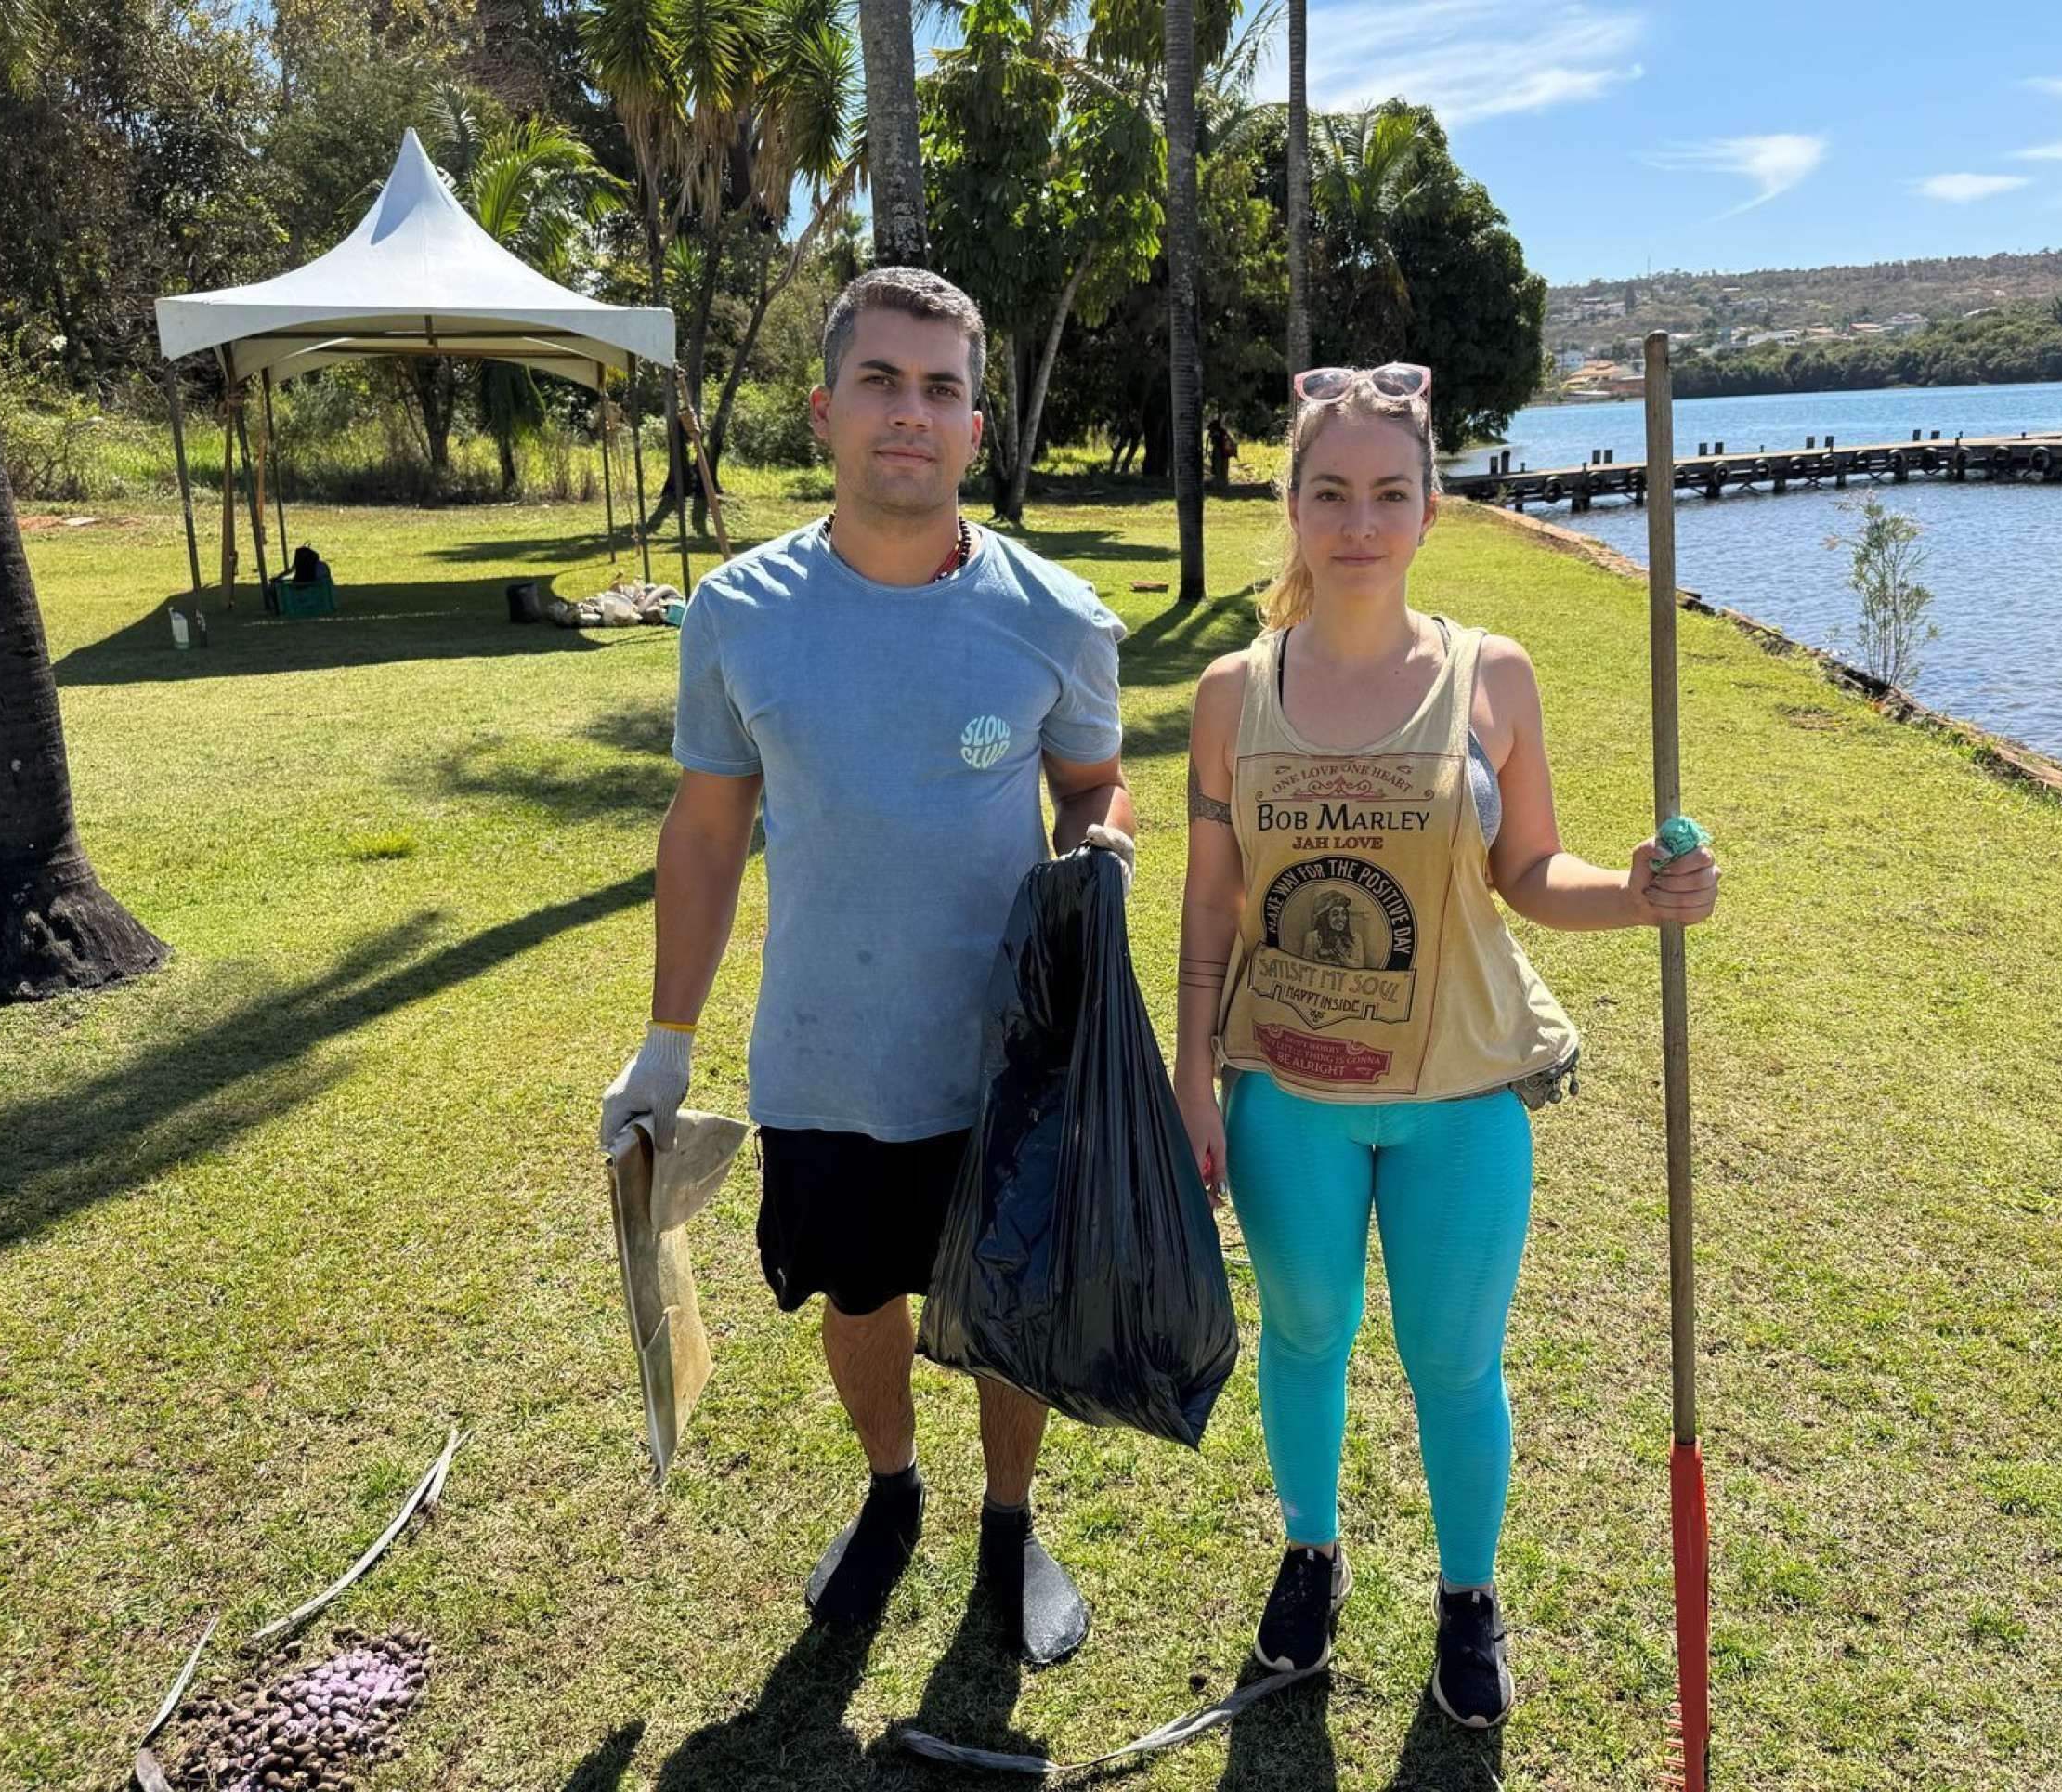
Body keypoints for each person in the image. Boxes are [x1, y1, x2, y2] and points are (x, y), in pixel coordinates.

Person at [1170, 362, 1719, 1727]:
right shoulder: (1235, 692)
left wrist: (1638, 889)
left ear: (1431, 510)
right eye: (1330, 492)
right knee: (1305, 1335)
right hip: (1285, 1093)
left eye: (1389, 493)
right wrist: (1192, 1072)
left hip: (1466, 1089)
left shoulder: (1495, 677)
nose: (1359, 521)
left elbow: (1531, 869)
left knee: (1455, 1361)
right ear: (1291, 506)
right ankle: (1312, 1552)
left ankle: (1467, 1600)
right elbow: (1210, 906)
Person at [601, 268, 1137, 1666]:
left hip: (1006, 1058)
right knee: (858, 1296)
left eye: (943, 388)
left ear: (976, 428)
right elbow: (711, 826)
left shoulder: (1059, 616)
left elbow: (1093, 783)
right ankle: (893, 1496)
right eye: (885, 383)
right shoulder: (736, 612)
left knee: (1011, 1307)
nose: (914, 412)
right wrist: (667, 1039)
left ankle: (1009, 1528)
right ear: (827, 407)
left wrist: (1101, 851)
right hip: (825, 1051)